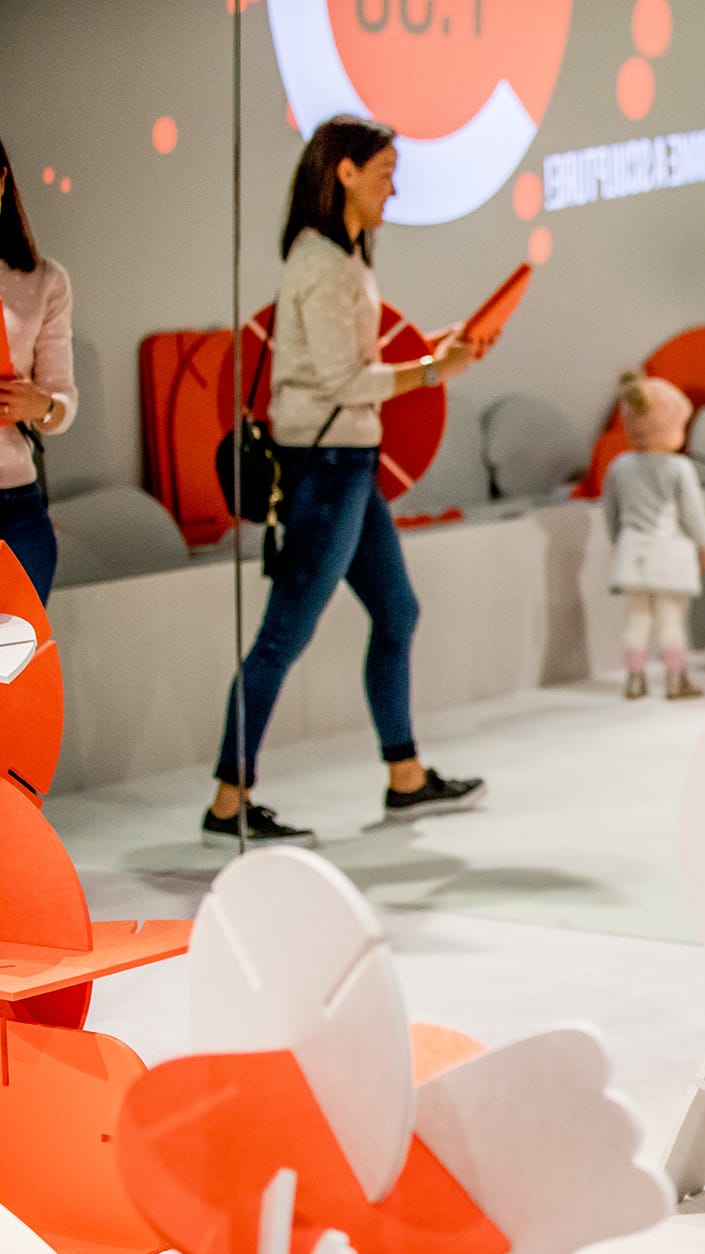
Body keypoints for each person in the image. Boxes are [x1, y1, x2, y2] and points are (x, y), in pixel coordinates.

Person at [203, 115, 487, 849]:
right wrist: (433, 370)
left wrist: (434, 360)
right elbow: (342, 380)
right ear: (346, 174)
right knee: (282, 636)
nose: (396, 187)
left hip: (346, 467)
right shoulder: (322, 263)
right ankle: (228, 802)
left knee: (396, 612)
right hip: (326, 469)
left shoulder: (343, 256)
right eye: (387, 171)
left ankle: (405, 775)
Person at [605, 372, 705, 701]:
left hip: (632, 553)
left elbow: (610, 513)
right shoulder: (678, 468)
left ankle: (635, 678)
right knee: (671, 620)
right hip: (669, 554)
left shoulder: (619, 466)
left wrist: (618, 540)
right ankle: (675, 677)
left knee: (637, 619)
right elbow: (693, 512)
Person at [0, 134, 76, 603]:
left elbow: (63, 403)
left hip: (16, 501)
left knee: (18, 673)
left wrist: (39, 405)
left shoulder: (43, 281)